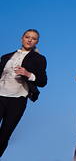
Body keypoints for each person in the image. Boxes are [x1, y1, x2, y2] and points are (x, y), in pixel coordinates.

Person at [0, 29, 48, 157]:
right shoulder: (6, 57)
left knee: (4, 135)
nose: (30, 40)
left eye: (33, 38)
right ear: (22, 38)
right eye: (27, 37)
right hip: (0, 96)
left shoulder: (39, 59)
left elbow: (43, 81)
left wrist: (28, 74)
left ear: (37, 42)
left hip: (18, 100)